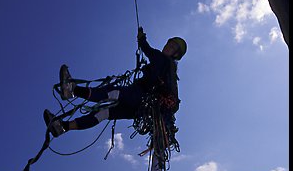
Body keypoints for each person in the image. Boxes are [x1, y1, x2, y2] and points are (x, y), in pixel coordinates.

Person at [43, 28, 187, 138]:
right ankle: (63, 127)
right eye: (170, 43)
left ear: (175, 55)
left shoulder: (164, 60)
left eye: (173, 47)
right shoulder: (170, 73)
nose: (169, 47)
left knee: (112, 93)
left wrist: (141, 39)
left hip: (141, 97)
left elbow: (149, 50)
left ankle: (72, 90)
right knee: (103, 113)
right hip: (140, 109)